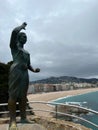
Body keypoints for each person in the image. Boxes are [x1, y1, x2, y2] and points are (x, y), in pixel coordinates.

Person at [8, 22, 40, 130]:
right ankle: (12, 121)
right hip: (16, 72)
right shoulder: (14, 47)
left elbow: (28, 64)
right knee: (13, 95)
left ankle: (23, 118)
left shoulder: (27, 53)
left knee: (23, 97)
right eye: (23, 36)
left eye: (26, 36)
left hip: (25, 74)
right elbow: (13, 32)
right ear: (18, 37)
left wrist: (34, 70)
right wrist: (22, 27)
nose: (25, 37)